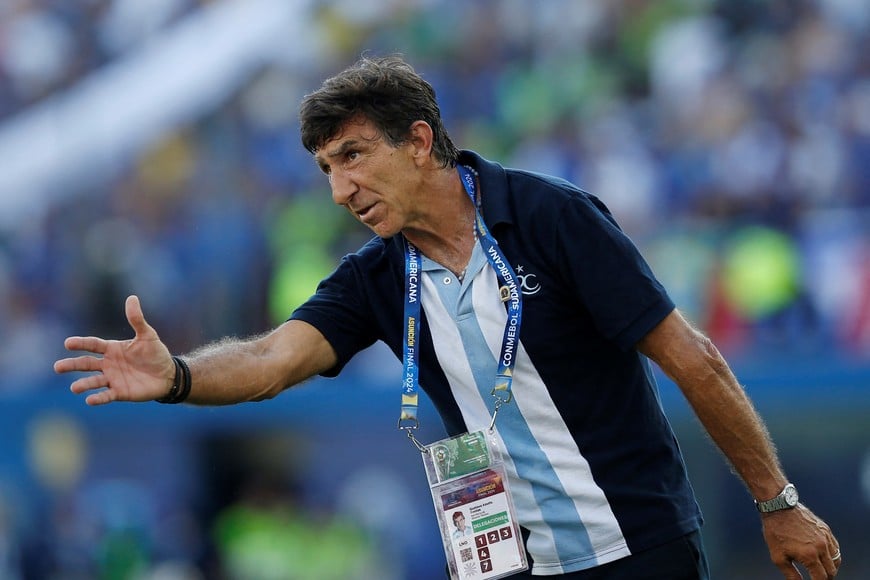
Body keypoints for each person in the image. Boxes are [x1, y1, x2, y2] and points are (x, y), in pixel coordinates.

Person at [55, 55, 841, 579]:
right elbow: (270, 361)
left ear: (420, 142)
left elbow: (693, 360)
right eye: (327, 168)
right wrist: (178, 376)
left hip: (639, 549)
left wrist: (777, 501)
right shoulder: (375, 276)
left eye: (354, 156)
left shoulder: (550, 218)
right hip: (507, 565)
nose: (339, 189)